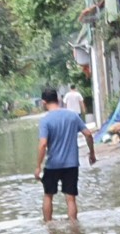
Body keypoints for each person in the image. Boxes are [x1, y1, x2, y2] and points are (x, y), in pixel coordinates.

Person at [35, 87, 97, 221]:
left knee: (48, 195)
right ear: (58, 99)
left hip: (52, 165)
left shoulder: (45, 121)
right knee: (70, 199)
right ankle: (74, 227)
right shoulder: (72, 116)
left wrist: (38, 166)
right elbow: (88, 134)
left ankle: (49, 228)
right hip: (71, 164)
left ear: (43, 102)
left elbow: (43, 144)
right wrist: (92, 153)